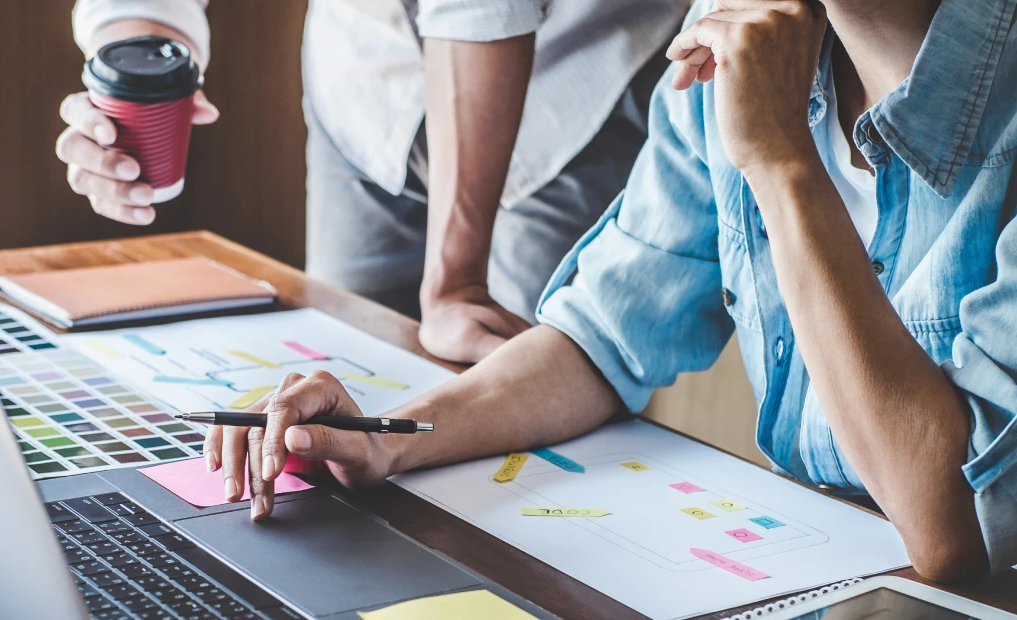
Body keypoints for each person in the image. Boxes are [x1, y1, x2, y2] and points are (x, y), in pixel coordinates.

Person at [210, 0, 1017, 583]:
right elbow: (601, 334)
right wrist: (391, 438)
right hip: (822, 577)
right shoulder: (742, 32)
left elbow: (957, 536)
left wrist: (779, 163)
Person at [56, 1, 684, 364]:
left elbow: (479, 10)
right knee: (341, 375)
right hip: (364, 81)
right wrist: (136, 51)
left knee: (525, 415)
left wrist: (456, 283)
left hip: (571, 92)